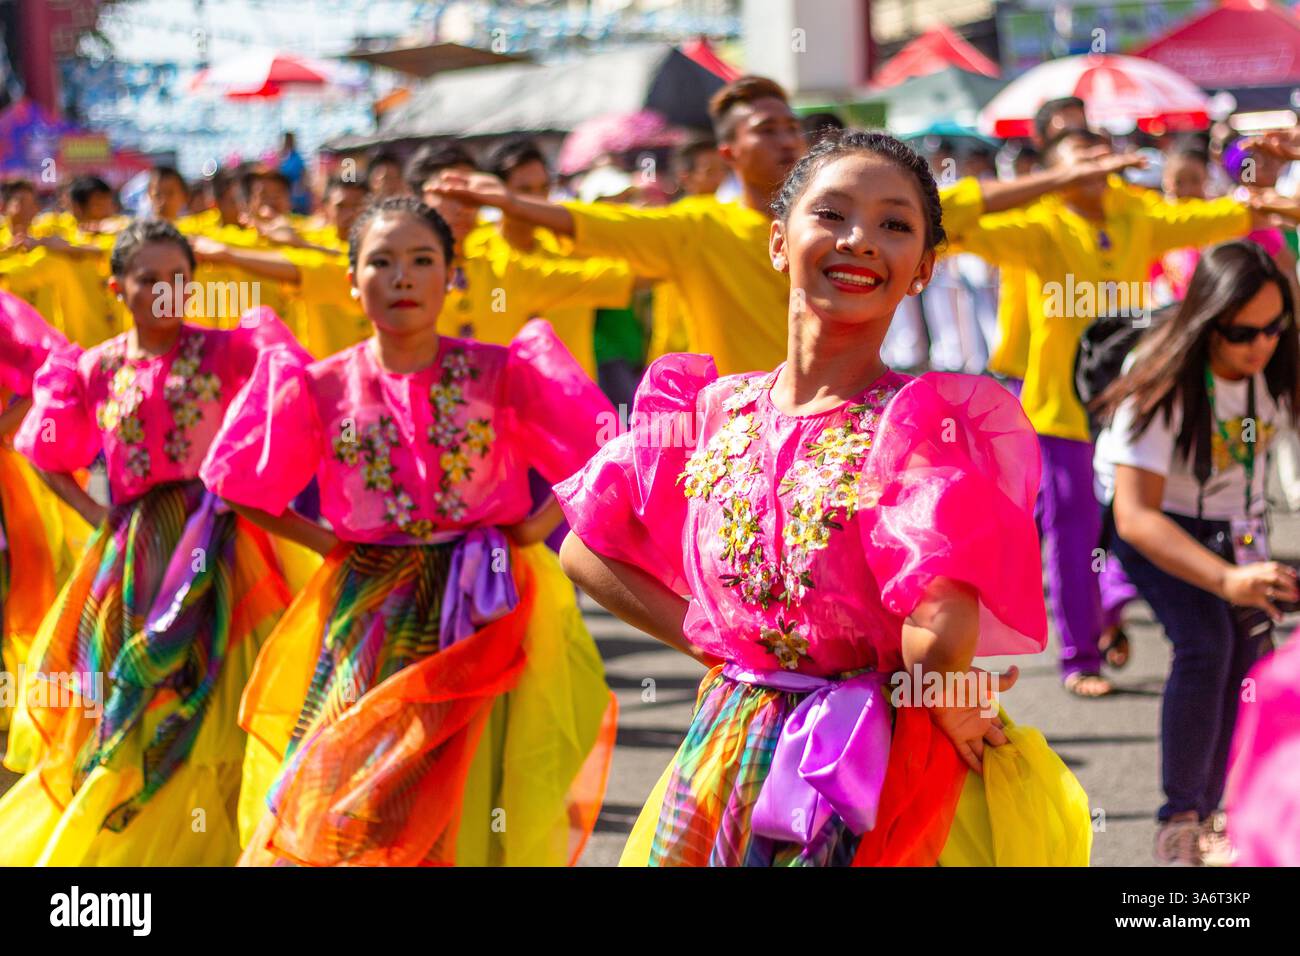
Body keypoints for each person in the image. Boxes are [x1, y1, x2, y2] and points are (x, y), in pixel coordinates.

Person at [555, 131, 1091, 867]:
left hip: (875, 769)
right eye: (832, 214)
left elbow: (938, 631)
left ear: (924, 270)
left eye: (894, 225)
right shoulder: (708, 410)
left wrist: (943, 685)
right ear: (779, 242)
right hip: (735, 744)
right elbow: (585, 545)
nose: (861, 240)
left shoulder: (920, 427)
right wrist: (722, 645)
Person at [199, 197, 617, 866]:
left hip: (483, 601)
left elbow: (600, 452)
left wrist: (531, 531)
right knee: (347, 771)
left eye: (423, 261)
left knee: (468, 774)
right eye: (382, 262)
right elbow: (239, 481)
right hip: (369, 600)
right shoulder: (322, 384)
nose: (402, 278)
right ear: (351, 281)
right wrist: (327, 546)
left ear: (452, 276)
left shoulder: (499, 370)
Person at [431, 75, 1145, 378]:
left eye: (789, 127)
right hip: (744, 433)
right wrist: (506, 202)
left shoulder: (861, 216)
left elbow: (973, 204)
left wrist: (1069, 176)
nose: (783, 139)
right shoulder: (694, 228)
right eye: (764, 129)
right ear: (727, 153)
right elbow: (589, 221)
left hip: (852, 418)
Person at [0, 219, 306, 865]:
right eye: (148, 280)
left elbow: (292, 403)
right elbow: (47, 450)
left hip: (225, 542)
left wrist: (249, 487)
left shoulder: (228, 352)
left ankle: (224, 844)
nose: (166, 294)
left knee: (228, 698)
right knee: (134, 693)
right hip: (139, 552)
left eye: (179, 280)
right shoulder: (96, 365)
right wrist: (98, 514)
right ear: (117, 287)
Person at [948, 128, 1262, 698]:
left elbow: (1214, 220)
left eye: (1100, 158)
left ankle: (1112, 604)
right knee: (1073, 536)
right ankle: (1081, 658)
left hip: (1130, 405)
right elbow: (946, 220)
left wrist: (1263, 203)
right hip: (1061, 412)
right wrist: (1055, 182)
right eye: (1077, 163)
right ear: (1052, 172)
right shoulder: (1039, 222)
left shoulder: (1133, 212)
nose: (1095, 169)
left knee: (1132, 520)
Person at [1093, 239, 1300, 865]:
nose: (1261, 344)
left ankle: (1222, 809)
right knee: (1206, 643)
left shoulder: (1276, 365)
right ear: (1209, 321)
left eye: (1275, 327)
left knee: (1250, 652)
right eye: (1243, 332)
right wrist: (1227, 580)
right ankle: (1180, 821)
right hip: (1153, 522)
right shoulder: (1159, 386)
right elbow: (1135, 515)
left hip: (1231, 523)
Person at [0, 290, 90, 731]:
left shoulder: (6, 314)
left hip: (7, 484)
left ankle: (17, 703)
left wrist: (4, 428)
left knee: (16, 583)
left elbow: (50, 368)